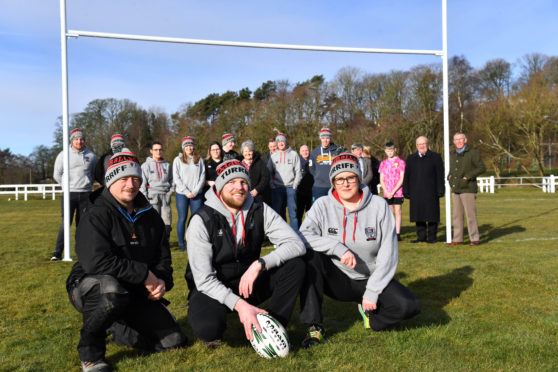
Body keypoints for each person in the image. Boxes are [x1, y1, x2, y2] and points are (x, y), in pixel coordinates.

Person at [65, 149, 187, 372]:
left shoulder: (151, 216)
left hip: (133, 290)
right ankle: (91, 353)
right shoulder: (94, 213)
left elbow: (163, 259)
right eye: (123, 178)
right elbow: (96, 262)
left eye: (135, 179)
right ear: (111, 180)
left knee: (173, 341)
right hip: (89, 285)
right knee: (111, 292)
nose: (130, 184)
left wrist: (161, 281)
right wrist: (144, 274)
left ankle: (116, 325)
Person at [298, 153, 421, 348]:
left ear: (358, 178)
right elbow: (303, 236)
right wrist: (337, 248)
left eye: (350, 177)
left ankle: (371, 317)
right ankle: (314, 326)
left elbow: (388, 253)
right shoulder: (322, 205)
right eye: (339, 179)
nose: (345, 183)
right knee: (308, 257)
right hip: (336, 278)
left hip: (370, 278)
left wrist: (372, 291)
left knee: (409, 306)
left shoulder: (379, 206)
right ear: (333, 182)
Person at [185, 160, 306, 347]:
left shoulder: (260, 208)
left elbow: (296, 244)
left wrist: (261, 263)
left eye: (243, 182)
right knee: (209, 329)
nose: (239, 187)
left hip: (248, 282)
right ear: (219, 186)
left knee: (296, 265)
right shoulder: (201, 219)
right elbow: (203, 279)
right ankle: (237, 313)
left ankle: (270, 325)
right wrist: (240, 305)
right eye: (231, 182)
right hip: (213, 286)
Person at [51, 128, 96, 261]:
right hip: (69, 194)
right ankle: (57, 253)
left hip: (86, 194)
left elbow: (92, 174)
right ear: (72, 140)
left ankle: (83, 253)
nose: (79, 141)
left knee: (83, 225)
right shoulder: (63, 155)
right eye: (76, 139)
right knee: (66, 223)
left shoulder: (91, 156)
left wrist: (86, 184)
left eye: (81, 139)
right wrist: (66, 186)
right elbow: (57, 174)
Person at [402, 136, 445, 243]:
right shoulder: (411, 158)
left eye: (424, 144)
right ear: (416, 146)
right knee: (418, 214)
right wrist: (405, 190)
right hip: (416, 191)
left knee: (432, 215)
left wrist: (440, 189)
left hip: (431, 191)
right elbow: (407, 175)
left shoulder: (436, 157)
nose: (422, 146)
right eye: (419, 144)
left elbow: (440, 175)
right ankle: (421, 237)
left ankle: (432, 237)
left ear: (428, 144)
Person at [447, 132, 485, 246]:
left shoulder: (473, 152)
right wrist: (449, 177)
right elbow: (453, 170)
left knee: (470, 215)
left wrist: (468, 177)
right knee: (457, 215)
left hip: (468, 188)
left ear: (465, 140)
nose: (458, 141)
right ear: (453, 142)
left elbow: (481, 167)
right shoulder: (452, 154)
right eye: (456, 139)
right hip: (456, 188)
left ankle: (474, 238)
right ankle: (458, 239)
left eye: (461, 139)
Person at [173, 136, 206, 251]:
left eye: (191, 145)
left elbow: (202, 176)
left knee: (195, 219)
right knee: (182, 218)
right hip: (182, 194)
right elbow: (176, 178)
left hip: (196, 195)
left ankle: (193, 241)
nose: (189, 147)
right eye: (186, 145)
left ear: (194, 147)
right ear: (183, 147)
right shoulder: (178, 160)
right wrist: (186, 192)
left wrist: (195, 191)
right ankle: (181, 244)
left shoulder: (199, 160)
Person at [267, 133, 302, 230]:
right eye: (278, 141)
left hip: (291, 188)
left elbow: (299, 171)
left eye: (282, 141)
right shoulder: (273, 156)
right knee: (278, 214)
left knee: (293, 214)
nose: (281, 143)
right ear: (277, 144)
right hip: (277, 189)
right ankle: (283, 235)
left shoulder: (294, 154)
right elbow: (268, 171)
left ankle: (295, 236)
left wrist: (295, 186)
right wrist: (271, 184)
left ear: (286, 142)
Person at [140, 141, 173, 240]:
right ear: (151, 151)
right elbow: (142, 183)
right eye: (156, 150)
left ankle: (165, 244)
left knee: (167, 222)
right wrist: (145, 197)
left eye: (160, 149)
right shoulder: (145, 166)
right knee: (153, 222)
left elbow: (172, 180)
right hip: (152, 197)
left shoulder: (167, 165)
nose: (158, 152)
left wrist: (170, 192)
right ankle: (154, 244)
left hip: (165, 196)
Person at [378, 141, 406, 241]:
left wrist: (393, 191)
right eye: (388, 150)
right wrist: (386, 191)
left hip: (397, 192)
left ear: (395, 150)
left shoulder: (401, 162)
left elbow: (401, 179)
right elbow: (381, 179)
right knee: (389, 213)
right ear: (385, 151)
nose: (390, 152)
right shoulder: (383, 163)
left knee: (398, 211)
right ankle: (391, 232)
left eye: (391, 150)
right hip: (387, 192)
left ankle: (398, 233)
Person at [309, 127, 338, 201]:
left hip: (334, 186)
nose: (325, 140)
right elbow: (311, 169)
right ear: (320, 139)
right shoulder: (314, 152)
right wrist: (319, 176)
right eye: (323, 138)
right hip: (319, 186)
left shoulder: (337, 151)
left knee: (333, 209)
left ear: (330, 139)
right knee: (318, 209)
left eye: (327, 138)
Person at [240, 139, 270, 204]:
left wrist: (257, 190)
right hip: (242, 195)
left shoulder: (260, 162)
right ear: (242, 152)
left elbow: (265, 177)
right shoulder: (238, 164)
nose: (248, 153)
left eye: (250, 151)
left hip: (257, 196)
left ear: (253, 152)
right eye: (245, 151)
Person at [296, 144, 313, 227]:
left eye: (306, 150)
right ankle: (298, 231)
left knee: (310, 214)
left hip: (311, 192)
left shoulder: (313, 161)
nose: (305, 152)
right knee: (298, 213)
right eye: (303, 151)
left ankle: (308, 230)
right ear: (300, 152)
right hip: (300, 192)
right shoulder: (297, 162)